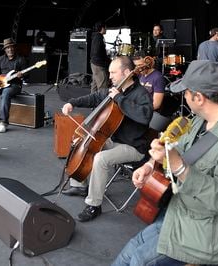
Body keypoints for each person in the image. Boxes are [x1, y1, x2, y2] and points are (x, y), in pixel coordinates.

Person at [112, 60, 218, 266]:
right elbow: (177, 148)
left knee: (139, 261)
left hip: (214, 231)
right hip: (183, 212)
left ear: (199, 97)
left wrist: (179, 166)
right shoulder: (200, 119)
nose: (184, 97)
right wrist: (151, 163)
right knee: (130, 252)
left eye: (186, 93)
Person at [61, 56, 153, 222]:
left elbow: (144, 117)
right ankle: (79, 185)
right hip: (114, 140)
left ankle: (94, 205)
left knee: (101, 158)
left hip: (133, 146)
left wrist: (119, 99)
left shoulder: (141, 94)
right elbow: (95, 97)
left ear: (126, 72)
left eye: (113, 72)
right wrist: (72, 103)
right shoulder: (114, 89)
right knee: (82, 142)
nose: (109, 76)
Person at [0, 38, 27, 133]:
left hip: (14, 86)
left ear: (14, 48)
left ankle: (3, 122)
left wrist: (22, 75)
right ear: (5, 49)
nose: (10, 49)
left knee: (6, 93)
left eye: (11, 47)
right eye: (7, 48)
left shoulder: (20, 59)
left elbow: (28, 74)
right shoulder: (2, 59)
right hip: (1, 84)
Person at [90, 21, 110, 93]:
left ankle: (92, 102)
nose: (106, 29)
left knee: (94, 85)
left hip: (94, 63)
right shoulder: (99, 37)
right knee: (103, 86)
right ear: (102, 28)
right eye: (105, 28)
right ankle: (102, 103)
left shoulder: (96, 36)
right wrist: (105, 61)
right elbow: (96, 51)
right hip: (98, 64)